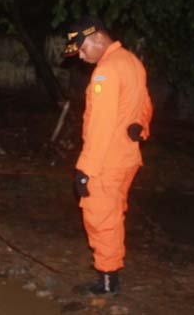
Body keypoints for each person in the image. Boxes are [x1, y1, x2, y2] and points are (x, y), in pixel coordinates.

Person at [64, 16, 153, 295]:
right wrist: (141, 128)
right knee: (113, 214)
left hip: (106, 161)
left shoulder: (107, 71)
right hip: (127, 156)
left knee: (101, 217)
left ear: (98, 39)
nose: (79, 55)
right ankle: (109, 273)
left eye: (81, 48)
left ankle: (107, 279)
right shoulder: (131, 62)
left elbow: (100, 126)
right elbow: (145, 104)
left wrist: (85, 169)